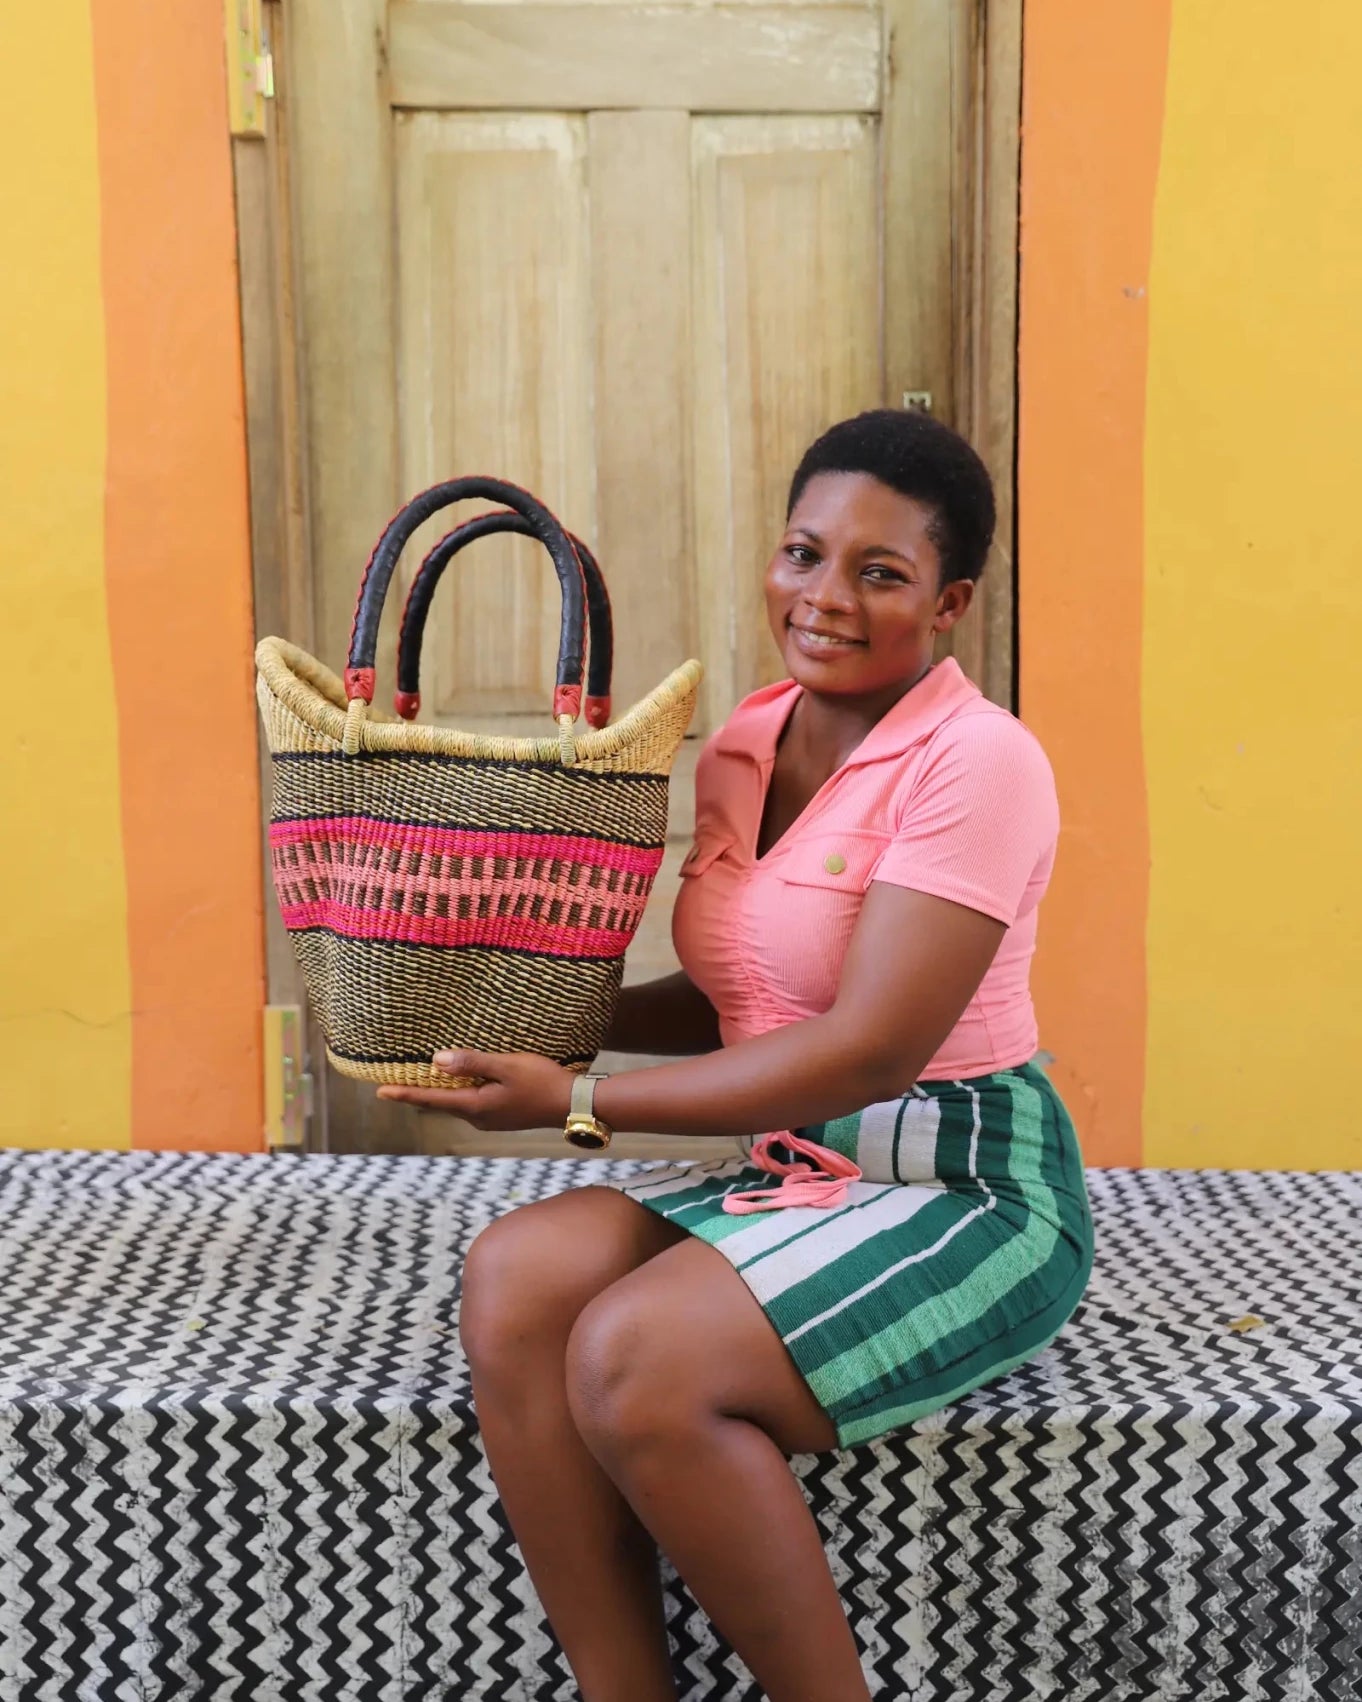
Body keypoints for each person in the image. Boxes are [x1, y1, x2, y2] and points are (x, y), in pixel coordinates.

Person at [379, 409, 1094, 1702]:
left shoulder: (980, 761)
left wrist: (578, 1099)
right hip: (795, 1166)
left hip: (964, 1183)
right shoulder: (745, 743)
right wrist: (538, 1011)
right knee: (517, 1278)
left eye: (880, 572)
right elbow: (743, 1001)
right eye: (803, 553)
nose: (824, 597)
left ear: (949, 603)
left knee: (636, 1357)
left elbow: (867, 1049)